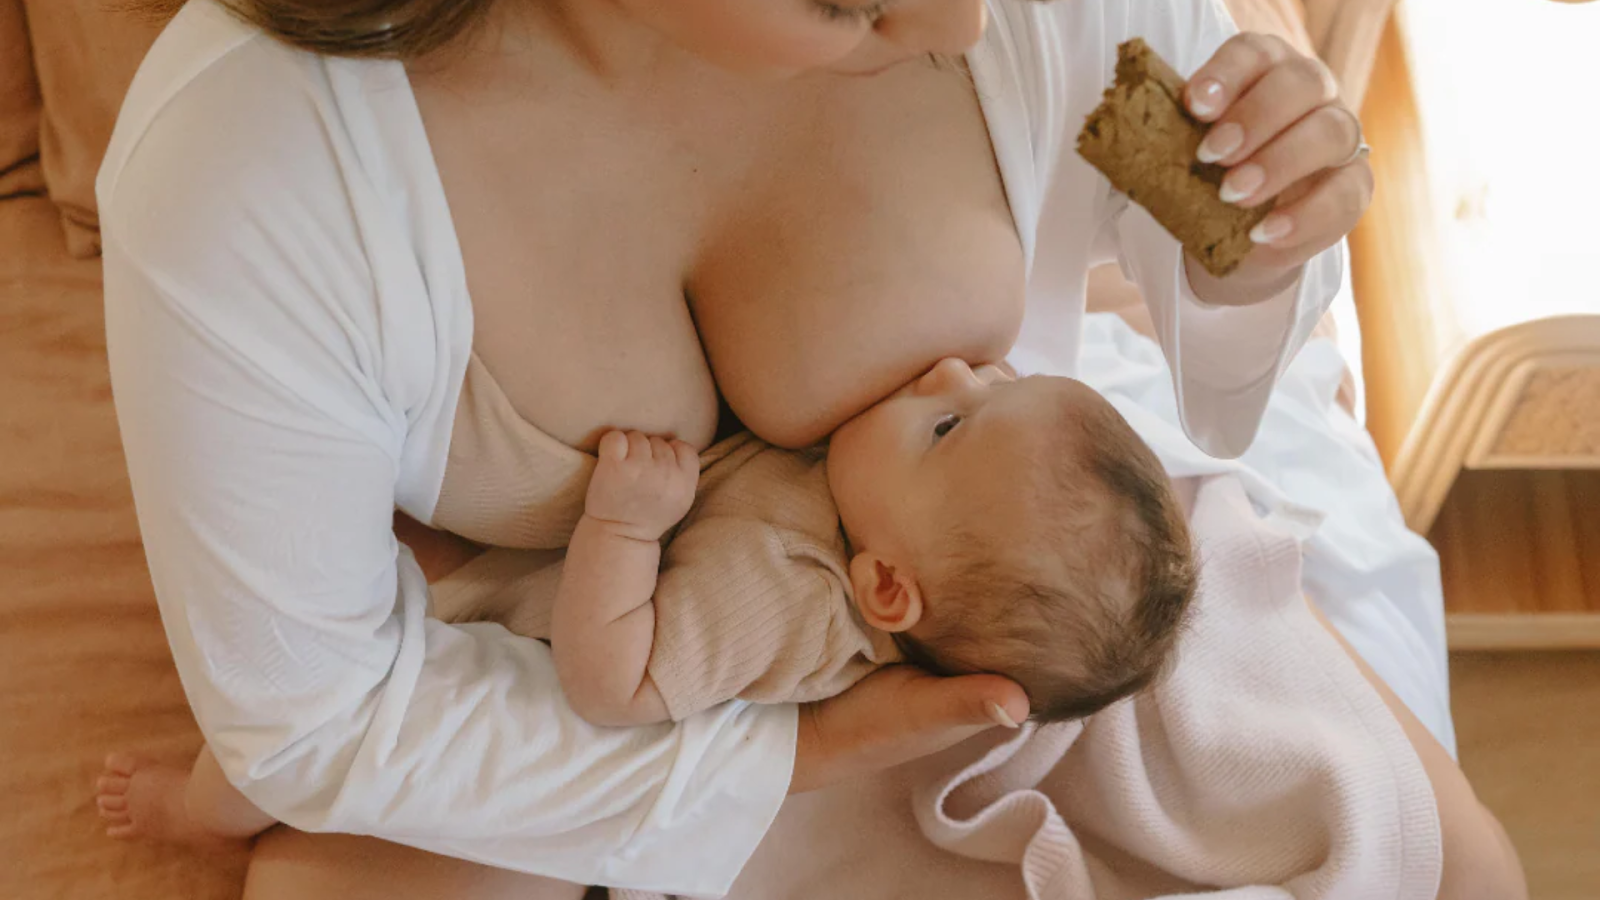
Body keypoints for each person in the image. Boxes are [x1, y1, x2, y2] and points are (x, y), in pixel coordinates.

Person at [90, 0, 1523, 896]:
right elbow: (313, 720)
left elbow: (1224, 363)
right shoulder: (252, 168)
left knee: (1450, 867)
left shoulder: (1014, 15)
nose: (968, 26)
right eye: (850, 0)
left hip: (1016, 613)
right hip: (594, 713)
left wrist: (1267, 238)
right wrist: (803, 753)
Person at [99, 358, 1197, 847]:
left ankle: (194, 817)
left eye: (952, 423)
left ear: (886, 588)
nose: (955, 370)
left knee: (295, 748)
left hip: (496, 659)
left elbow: (613, 682)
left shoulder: (783, 601)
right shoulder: (879, 508)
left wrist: (624, 529)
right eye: (991, 381)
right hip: (508, 561)